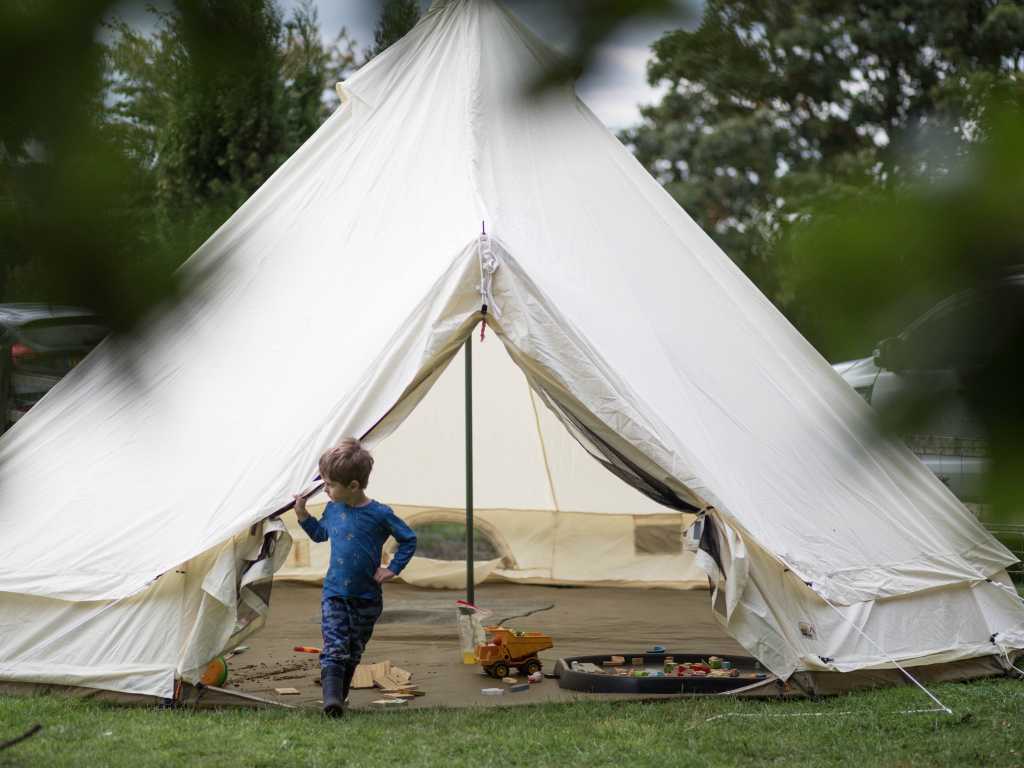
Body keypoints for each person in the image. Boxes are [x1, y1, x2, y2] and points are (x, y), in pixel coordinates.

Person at [294, 438, 417, 717]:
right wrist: (303, 516)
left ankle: (340, 698)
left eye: (330, 485)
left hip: (367, 598)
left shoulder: (380, 514)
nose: (325, 490)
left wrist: (392, 569)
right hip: (335, 593)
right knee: (335, 646)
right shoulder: (333, 509)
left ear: (353, 486)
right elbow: (320, 534)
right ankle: (331, 701)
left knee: (353, 650)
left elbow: (408, 539)